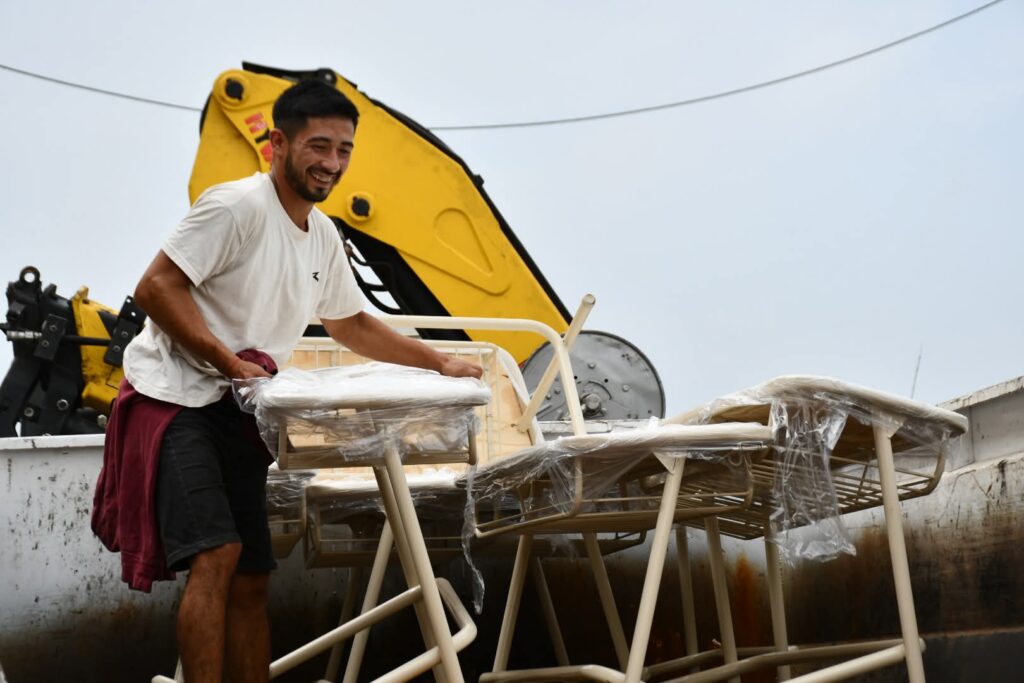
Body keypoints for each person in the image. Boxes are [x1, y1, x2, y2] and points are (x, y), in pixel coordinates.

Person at [121, 79, 481, 682]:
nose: (332, 163)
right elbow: (155, 288)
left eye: (344, 150)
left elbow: (350, 323)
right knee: (217, 553)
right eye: (319, 146)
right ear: (278, 144)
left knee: (253, 577)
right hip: (176, 398)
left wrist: (438, 362)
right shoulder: (237, 206)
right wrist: (227, 362)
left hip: (243, 409)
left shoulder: (324, 235)